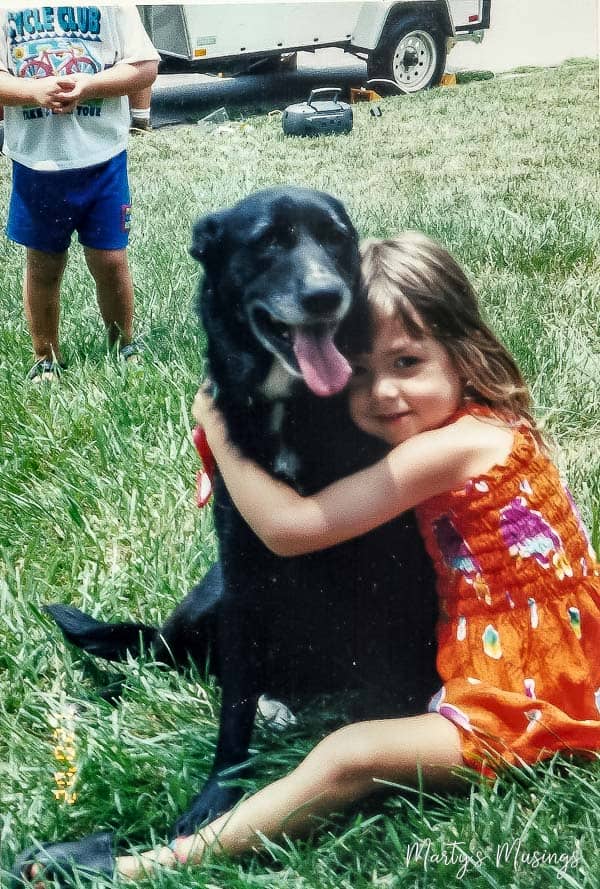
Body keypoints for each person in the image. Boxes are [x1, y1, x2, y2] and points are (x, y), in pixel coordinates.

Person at [12, 232, 600, 885]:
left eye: (407, 362)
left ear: (463, 350)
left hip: (524, 701)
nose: (382, 394)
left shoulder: (449, 448)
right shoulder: (484, 422)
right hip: (562, 656)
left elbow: (291, 529)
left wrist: (219, 427)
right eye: (361, 372)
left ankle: (132, 869)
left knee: (348, 755)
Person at [0, 4, 160, 381]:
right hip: (37, 163)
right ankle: (46, 357)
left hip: (102, 158)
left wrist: (89, 85)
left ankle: (123, 345)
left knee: (110, 261)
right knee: (43, 267)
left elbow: (144, 67)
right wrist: (31, 91)